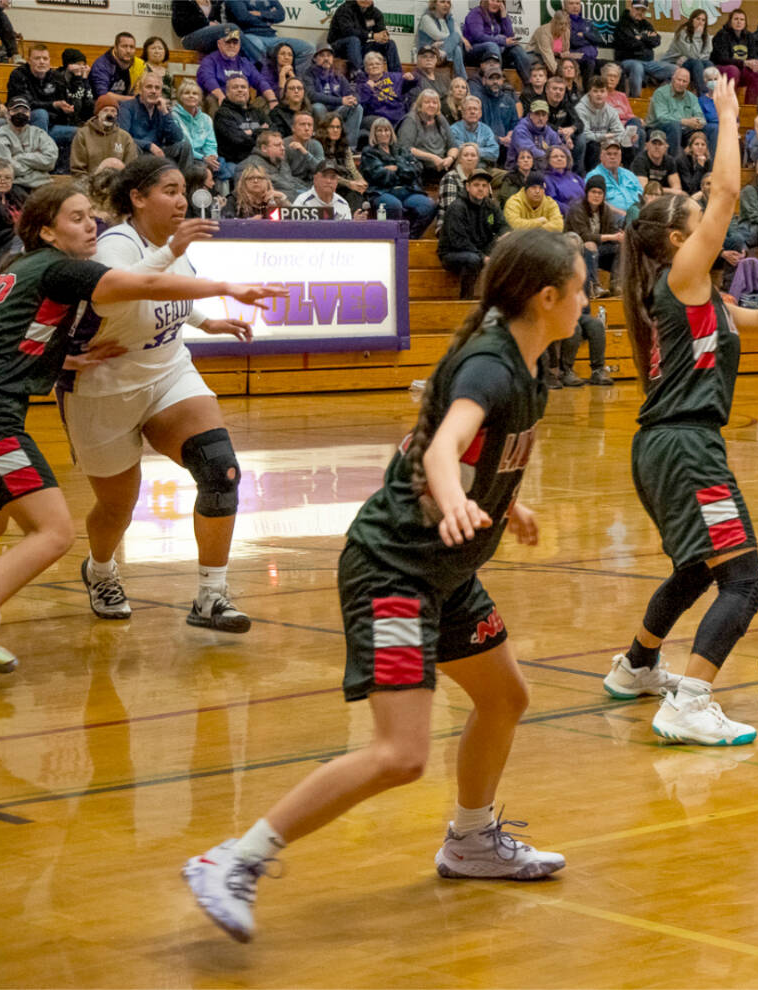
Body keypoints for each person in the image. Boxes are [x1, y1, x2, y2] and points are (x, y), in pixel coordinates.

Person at [183, 228, 583, 943]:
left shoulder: (526, 358)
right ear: (547, 297)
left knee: (505, 696)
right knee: (400, 754)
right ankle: (232, 860)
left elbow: (441, 438)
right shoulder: (493, 365)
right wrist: (453, 495)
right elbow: (439, 445)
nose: (587, 300)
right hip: (394, 571)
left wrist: (501, 497)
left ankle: (469, 840)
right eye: (581, 288)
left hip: (447, 574)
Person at [0, 183, 277, 672]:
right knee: (52, 533)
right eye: (75, 217)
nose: (90, 224)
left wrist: (70, 357)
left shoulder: (18, 267)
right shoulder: (61, 268)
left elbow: (12, 339)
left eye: (91, 215)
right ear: (46, 230)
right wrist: (226, 288)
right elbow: (145, 287)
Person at [609, 75, 758, 745]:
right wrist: (725, 115)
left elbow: (756, 324)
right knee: (743, 583)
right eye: (693, 215)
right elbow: (730, 191)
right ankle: (690, 701)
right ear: (677, 240)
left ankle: (637, 665)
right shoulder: (679, 277)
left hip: (665, 446)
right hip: (685, 448)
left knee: (695, 568)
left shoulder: (700, 295)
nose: (705, 219)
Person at [60, 158, 266, 634]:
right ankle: (101, 570)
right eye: (170, 191)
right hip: (104, 387)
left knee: (221, 469)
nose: (182, 200)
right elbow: (141, 285)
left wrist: (204, 320)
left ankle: (212, 596)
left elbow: (171, 290)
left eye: (183, 191)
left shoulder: (173, 246)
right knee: (117, 509)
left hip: (169, 372)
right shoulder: (114, 246)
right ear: (137, 197)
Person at [439, 166, 508, 297]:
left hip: (480, 249)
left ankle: (501, 301)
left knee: (509, 247)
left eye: (484, 185)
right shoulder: (457, 208)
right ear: (467, 187)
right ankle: (466, 299)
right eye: (476, 185)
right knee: (473, 260)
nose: (481, 188)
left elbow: (503, 226)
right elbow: (459, 242)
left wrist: (504, 235)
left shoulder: (491, 205)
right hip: (453, 253)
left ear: (488, 188)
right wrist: (483, 258)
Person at [361, 118, 436, 239]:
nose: (384, 134)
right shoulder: (369, 152)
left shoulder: (401, 149)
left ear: (391, 132)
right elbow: (378, 176)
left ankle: (410, 239)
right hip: (382, 191)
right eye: (379, 131)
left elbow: (417, 169)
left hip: (407, 190)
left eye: (386, 130)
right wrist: (403, 171)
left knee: (428, 205)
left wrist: (395, 169)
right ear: (374, 134)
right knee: (393, 206)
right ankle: (394, 240)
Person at [118, 71, 192, 171]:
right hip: (140, 152)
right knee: (133, 148)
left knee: (185, 146)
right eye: (149, 87)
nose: (153, 91)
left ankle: (183, 184)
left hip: (159, 153)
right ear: (140, 90)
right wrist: (148, 145)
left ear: (160, 92)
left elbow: (177, 138)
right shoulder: (127, 107)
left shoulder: (161, 109)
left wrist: (165, 113)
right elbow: (123, 137)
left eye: (157, 88)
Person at [565, 172, 621, 297]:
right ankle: (593, 286)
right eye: (593, 192)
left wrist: (620, 236)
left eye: (600, 193)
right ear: (587, 193)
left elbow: (612, 231)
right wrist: (611, 237)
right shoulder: (577, 208)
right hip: (576, 250)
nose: (596, 195)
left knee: (621, 247)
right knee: (590, 245)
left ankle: (616, 284)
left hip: (598, 250)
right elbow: (583, 236)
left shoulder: (606, 210)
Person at [222, 0, 312, 75]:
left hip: (272, 36)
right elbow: (243, 17)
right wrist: (268, 17)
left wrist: (260, 14)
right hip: (248, 35)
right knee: (258, 46)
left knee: (308, 49)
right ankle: (268, 80)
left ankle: (291, 82)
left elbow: (281, 15)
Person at [0, 95, 57, 192]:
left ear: (29, 115)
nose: (20, 113)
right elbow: (5, 169)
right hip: (13, 187)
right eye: (15, 110)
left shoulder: (39, 133)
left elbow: (50, 161)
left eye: (25, 111)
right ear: (8, 114)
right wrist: (37, 165)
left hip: (43, 185)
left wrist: (18, 158)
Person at [196, 28, 276, 108]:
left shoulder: (245, 63)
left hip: (242, 103)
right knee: (212, 99)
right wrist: (221, 97)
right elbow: (208, 79)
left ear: (239, 45)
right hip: (221, 102)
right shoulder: (210, 60)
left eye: (235, 43)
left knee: (264, 100)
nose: (232, 45)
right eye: (228, 42)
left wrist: (272, 99)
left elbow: (260, 81)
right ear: (219, 44)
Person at [613, 0, 674, 97]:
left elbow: (657, 41)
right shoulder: (622, 24)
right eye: (637, 9)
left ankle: (659, 96)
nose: (640, 12)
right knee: (637, 67)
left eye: (643, 10)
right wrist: (647, 38)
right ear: (631, 8)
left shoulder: (646, 24)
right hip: (627, 61)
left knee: (674, 70)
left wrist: (641, 37)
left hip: (648, 62)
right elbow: (630, 44)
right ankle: (636, 99)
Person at [462, 0, 532, 84]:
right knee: (492, 46)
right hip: (474, 51)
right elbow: (478, 36)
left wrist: (504, 16)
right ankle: (496, 83)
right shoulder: (476, 13)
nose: (495, 3)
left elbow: (509, 36)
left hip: (496, 52)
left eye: (498, 1)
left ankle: (530, 85)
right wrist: (502, 41)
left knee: (516, 48)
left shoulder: (497, 15)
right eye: (492, 0)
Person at [303, 44, 361, 144]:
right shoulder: (309, 74)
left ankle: (349, 147)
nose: (326, 58)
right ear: (315, 59)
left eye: (329, 55)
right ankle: (324, 144)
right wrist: (340, 100)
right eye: (322, 55)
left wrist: (354, 99)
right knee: (318, 107)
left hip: (337, 110)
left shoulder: (338, 74)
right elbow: (312, 95)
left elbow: (352, 93)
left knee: (357, 107)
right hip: (321, 109)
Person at [172, 79, 228, 183]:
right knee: (201, 170)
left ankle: (219, 198)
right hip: (185, 158)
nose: (191, 96)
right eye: (186, 93)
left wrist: (212, 156)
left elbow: (211, 143)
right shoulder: (174, 116)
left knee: (223, 168)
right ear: (180, 96)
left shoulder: (206, 119)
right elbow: (183, 145)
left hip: (205, 157)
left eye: (195, 93)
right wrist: (204, 158)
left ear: (200, 98)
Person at [396, 87, 457, 183]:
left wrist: (450, 158)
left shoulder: (440, 118)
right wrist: (432, 158)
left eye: (434, 103)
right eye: (427, 102)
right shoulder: (411, 120)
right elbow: (405, 148)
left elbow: (453, 146)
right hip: (420, 165)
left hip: (443, 164)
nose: (431, 105)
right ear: (420, 105)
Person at [647, 66, 711, 154]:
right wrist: (684, 121)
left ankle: (709, 164)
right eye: (679, 80)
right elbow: (662, 117)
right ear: (673, 79)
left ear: (688, 83)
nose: (681, 83)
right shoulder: (660, 93)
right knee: (674, 125)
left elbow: (700, 116)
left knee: (710, 128)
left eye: (684, 81)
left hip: (684, 130)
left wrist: (698, 122)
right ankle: (673, 162)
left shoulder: (692, 97)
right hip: (658, 127)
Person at [71, 93, 139, 176]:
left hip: (116, 185)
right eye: (105, 110)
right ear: (97, 113)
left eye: (113, 111)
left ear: (116, 115)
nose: (109, 114)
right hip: (89, 184)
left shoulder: (125, 137)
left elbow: (131, 168)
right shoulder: (83, 135)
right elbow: (78, 170)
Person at [212, 74, 269, 167]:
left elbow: (273, 132)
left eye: (243, 87)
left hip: (261, 160)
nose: (240, 90)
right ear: (227, 92)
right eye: (235, 87)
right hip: (235, 163)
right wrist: (259, 130)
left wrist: (249, 132)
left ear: (249, 91)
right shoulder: (222, 114)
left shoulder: (258, 112)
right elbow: (239, 140)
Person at [330, 0, 401, 73]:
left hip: (360, 47)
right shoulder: (344, 9)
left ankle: (396, 76)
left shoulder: (375, 13)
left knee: (389, 44)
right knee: (354, 40)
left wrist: (384, 36)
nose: (366, 0)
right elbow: (348, 31)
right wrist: (371, 35)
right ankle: (360, 75)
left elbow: (380, 30)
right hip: (339, 46)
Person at [710, 10, 758, 105]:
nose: (739, 22)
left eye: (742, 19)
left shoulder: (749, 36)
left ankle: (750, 109)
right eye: (736, 19)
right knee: (733, 70)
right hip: (722, 68)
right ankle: (728, 106)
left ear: (745, 22)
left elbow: (753, 56)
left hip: (741, 70)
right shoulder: (722, 34)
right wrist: (744, 63)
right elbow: (722, 58)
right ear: (730, 21)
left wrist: (754, 63)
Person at [356, 51, 416, 129]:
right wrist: (367, 88)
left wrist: (410, 78)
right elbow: (361, 104)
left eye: (377, 64)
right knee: (383, 124)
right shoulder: (362, 84)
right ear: (366, 69)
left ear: (383, 66)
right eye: (371, 64)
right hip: (378, 118)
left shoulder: (395, 77)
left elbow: (412, 84)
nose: (374, 66)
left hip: (398, 115)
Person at [585, 137, 641, 218]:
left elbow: (642, 196)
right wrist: (622, 214)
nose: (612, 157)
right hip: (612, 220)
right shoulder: (594, 176)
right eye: (609, 154)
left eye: (615, 154)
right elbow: (594, 202)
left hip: (637, 217)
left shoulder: (630, 175)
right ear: (601, 156)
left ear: (620, 157)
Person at [472, 61, 518, 158]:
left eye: (498, 78)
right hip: (485, 147)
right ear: (484, 80)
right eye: (491, 78)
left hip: (506, 146)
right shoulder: (478, 100)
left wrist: (510, 134)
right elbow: (476, 128)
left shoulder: (509, 101)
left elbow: (514, 123)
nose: (495, 82)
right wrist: (499, 139)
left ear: (502, 80)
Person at [417, 0, 469, 79]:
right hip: (429, 53)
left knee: (457, 48)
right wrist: (455, 38)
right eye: (442, 2)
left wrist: (453, 40)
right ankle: (463, 79)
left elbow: (459, 36)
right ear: (434, 4)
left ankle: (442, 53)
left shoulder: (450, 20)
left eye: (448, 2)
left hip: (445, 55)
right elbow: (438, 36)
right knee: (456, 43)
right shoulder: (426, 18)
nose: (446, 5)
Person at [435, 141, 480, 231]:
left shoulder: (481, 179)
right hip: (450, 227)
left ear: (478, 159)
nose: (469, 158)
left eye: (473, 155)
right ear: (459, 159)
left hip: (476, 227)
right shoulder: (450, 177)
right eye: (466, 155)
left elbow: (489, 209)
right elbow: (451, 211)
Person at [666, 9, 711, 97]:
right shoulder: (683, 32)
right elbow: (692, 55)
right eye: (698, 19)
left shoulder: (706, 35)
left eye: (703, 20)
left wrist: (698, 57)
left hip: (692, 62)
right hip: (676, 63)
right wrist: (697, 36)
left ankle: (713, 95)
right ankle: (703, 95)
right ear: (692, 20)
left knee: (709, 64)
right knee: (697, 63)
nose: (700, 22)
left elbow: (706, 55)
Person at [543, 74, 584, 168]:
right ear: (546, 90)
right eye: (554, 89)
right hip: (546, 136)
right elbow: (541, 123)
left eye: (561, 90)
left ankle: (577, 172)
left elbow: (580, 123)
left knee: (581, 138)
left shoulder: (566, 104)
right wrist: (561, 132)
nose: (558, 92)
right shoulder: (541, 103)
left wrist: (572, 129)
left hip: (564, 135)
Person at [450, 94, 498, 167]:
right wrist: (481, 151)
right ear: (462, 113)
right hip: (462, 169)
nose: (472, 112)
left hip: (484, 170)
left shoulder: (486, 130)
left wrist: (475, 150)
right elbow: (458, 151)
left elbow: (494, 153)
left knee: (504, 175)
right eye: (469, 109)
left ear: (480, 113)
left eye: (475, 109)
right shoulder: (454, 130)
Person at [510, 98, 562, 165]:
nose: (541, 118)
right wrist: (553, 157)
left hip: (543, 167)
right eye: (537, 114)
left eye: (543, 115)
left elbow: (558, 147)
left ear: (547, 117)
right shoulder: (520, 130)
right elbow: (531, 152)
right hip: (520, 170)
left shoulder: (548, 130)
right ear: (531, 115)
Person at [90, 32, 139, 102]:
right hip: (101, 106)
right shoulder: (102, 65)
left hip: (123, 106)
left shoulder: (138, 64)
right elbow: (103, 95)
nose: (128, 51)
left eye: (132, 47)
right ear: (115, 48)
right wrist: (133, 99)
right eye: (124, 46)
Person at [562, 0, 600, 84]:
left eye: (577, 3)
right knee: (590, 63)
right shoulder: (563, 23)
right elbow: (574, 41)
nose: (575, 6)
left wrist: (584, 35)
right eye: (571, 3)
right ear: (565, 6)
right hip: (574, 56)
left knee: (615, 66)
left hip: (590, 56)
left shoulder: (587, 22)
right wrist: (590, 41)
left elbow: (598, 39)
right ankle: (587, 94)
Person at [283, 110, 325, 187]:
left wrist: (305, 152)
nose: (307, 128)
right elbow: (285, 176)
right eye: (302, 124)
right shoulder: (284, 145)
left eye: (310, 125)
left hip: (312, 186)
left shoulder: (316, 144)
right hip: (291, 187)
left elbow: (321, 171)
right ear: (293, 128)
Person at [529, 11, 573, 77]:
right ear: (554, 23)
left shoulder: (566, 31)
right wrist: (561, 76)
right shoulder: (544, 33)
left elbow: (566, 50)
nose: (564, 27)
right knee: (546, 65)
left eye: (566, 24)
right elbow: (548, 57)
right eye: (561, 24)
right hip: (536, 55)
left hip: (555, 56)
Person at [542, 144, 582, 213]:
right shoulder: (546, 179)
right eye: (555, 157)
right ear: (548, 160)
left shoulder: (575, 177)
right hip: (566, 215)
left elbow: (588, 194)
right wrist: (573, 212)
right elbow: (552, 202)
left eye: (562, 156)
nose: (559, 159)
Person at [675, 129, 710, 196]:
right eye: (696, 144)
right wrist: (699, 167)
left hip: (701, 195)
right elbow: (690, 188)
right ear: (690, 147)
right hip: (684, 195)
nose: (700, 147)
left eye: (703, 145)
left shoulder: (707, 161)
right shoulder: (682, 160)